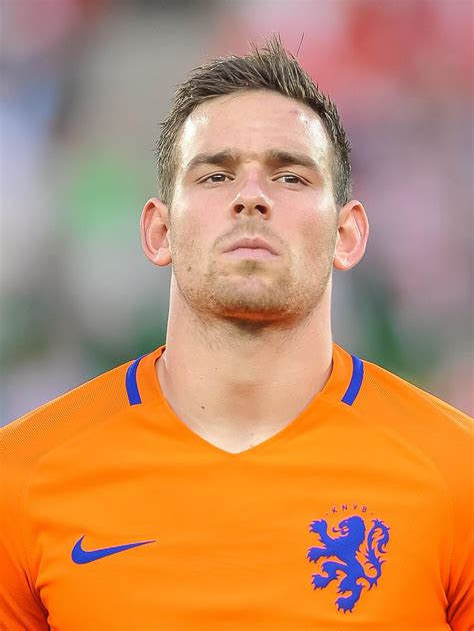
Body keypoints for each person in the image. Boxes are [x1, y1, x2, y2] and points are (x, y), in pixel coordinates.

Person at [1, 36, 472, 631]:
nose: (251, 197)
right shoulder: (20, 477)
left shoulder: (458, 474)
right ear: (159, 232)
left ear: (347, 235)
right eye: (216, 175)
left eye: (290, 177)